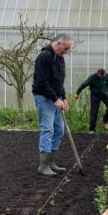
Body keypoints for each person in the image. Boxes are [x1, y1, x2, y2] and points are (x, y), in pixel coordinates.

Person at [32, 33, 74, 176]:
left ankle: (51, 162)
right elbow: (41, 82)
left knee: (59, 129)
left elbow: (59, 81)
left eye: (68, 49)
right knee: (48, 129)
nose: (66, 52)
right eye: (66, 48)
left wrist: (64, 98)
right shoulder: (44, 57)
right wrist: (56, 99)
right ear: (58, 43)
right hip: (44, 98)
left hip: (56, 98)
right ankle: (43, 166)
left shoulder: (60, 58)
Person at [75, 68, 108, 134]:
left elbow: (107, 84)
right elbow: (84, 84)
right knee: (94, 112)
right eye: (100, 76)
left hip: (104, 94)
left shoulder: (106, 76)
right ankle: (92, 130)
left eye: (103, 76)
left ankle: (105, 121)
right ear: (98, 74)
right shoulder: (92, 77)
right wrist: (77, 93)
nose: (102, 77)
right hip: (95, 95)